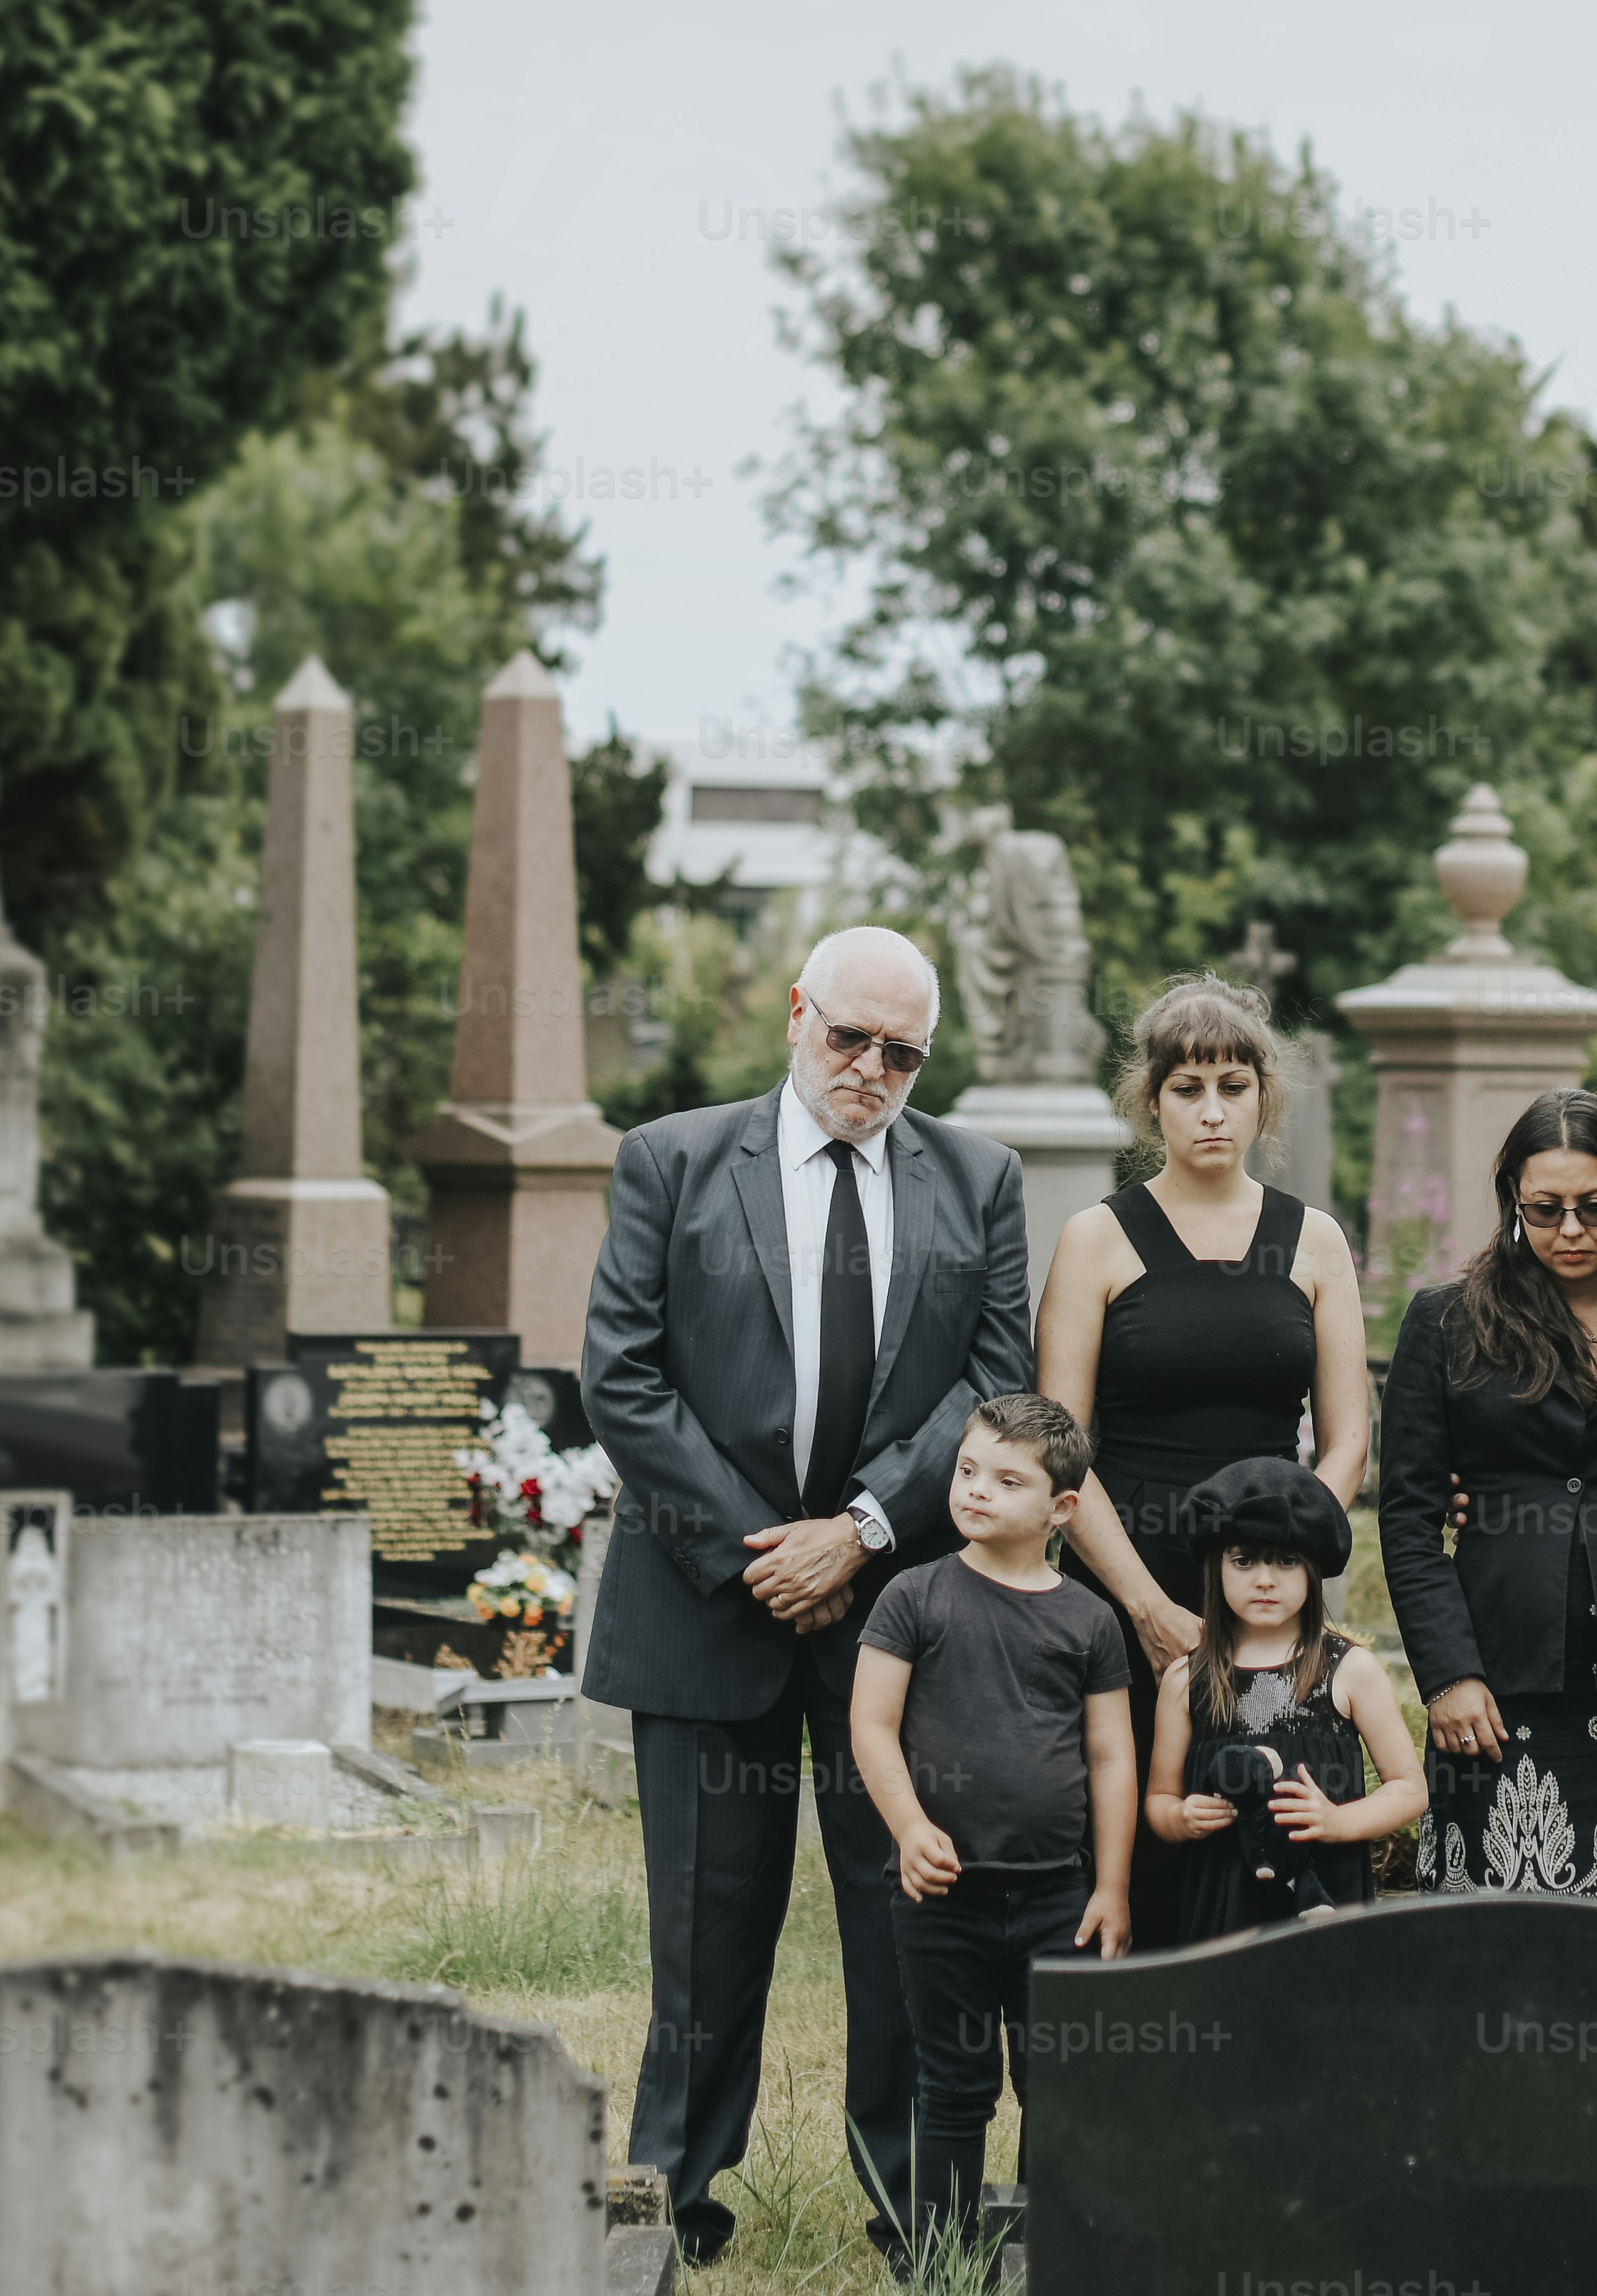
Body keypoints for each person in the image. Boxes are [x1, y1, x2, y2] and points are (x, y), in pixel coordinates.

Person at [580, 925, 1033, 2274]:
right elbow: (624, 1375)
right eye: (852, 1039)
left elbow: (989, 1384)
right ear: (797, 1015)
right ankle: (678, 2211)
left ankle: (916, 2212)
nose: (873, 1071)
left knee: (906, 1924)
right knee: (705, 1936)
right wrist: (761, 1551)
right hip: (705, 1603)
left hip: (900, 1618)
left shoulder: (978, 1177)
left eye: (904, 1053)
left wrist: (860, 1532)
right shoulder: (669, 1159)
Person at [1375, 1086, 1597, 1907]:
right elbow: (1409, 1520)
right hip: (1493, 1677)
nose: (1572, 1232)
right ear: (1512, 1204)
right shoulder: (1446, 1322)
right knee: (1495, 1954)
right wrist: (1447, 1675)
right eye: (1544, 1210)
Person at [849, 1392, 1136, 2276]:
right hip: (945, 1899)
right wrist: (908, 1826)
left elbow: (1111, 1756)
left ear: (1061, 1510)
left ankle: (1056, 2256)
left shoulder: (1087, 1621)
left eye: (1007, 1481)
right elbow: (870, 1724)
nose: (975, 1491)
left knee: (1055, 2087)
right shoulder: (915, 1595)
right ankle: (941, 2263)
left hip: (1058, 1898)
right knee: (953, 2086)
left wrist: (1112, 1886)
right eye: (968, 1471)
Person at [1036, 979, 1367, 1707]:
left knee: (1265, 1803)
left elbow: (1347, 1441)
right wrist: (1146, 1605)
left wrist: (1288, 1559)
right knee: (1126, 1812)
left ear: (1264, 1096)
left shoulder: (1316, 1239)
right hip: (1124, 1576)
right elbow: (1060, 1444)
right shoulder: (1095, 1238)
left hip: (1272, 1578)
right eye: (1188, 1087)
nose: (1213, 1111)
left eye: (1233, 1085)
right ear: (1152, 1100)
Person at [1141, 1456, 1424, 1936]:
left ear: (1313, 1570)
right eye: (1244, 1560)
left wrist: (1336, 1821)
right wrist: (1181, 1817)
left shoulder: (1351, 1670)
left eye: (1286, 1561)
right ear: (1217, 1567)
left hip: (1325, 1907)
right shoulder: (1186, 1680)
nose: (1265, 1579)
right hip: (1221, 1910)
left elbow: (1410, 1789)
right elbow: (1159, 1799)